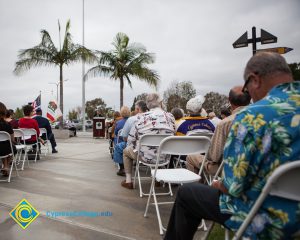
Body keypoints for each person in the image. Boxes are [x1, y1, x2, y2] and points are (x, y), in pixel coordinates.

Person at [164, 52, 300, 240]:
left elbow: (233, 185)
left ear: (255, 80)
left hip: (267, 217)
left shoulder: (253, 117)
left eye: (247, 87)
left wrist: (218, 183)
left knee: (187, 194)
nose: (249, 96)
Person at [186, 86, 251, 175]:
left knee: (191, 157)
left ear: (229, 100)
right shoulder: (263, 119)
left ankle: (198, 188)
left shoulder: (225, 123)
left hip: (229, 169)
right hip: (256, 167)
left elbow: (213, 157)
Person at [121, 93, 175, 189]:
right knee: (159, 148)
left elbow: (130, 140)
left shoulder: (140, 117)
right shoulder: (170, 117)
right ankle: (157, 179)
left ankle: (128, 181)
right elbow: (173, 134)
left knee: (126, 151)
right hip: (165, 157)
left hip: (144, 157)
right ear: (161, 103)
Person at [113, 100, 148, 176]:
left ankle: (123, 170)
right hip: (153, 150)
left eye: (135, 109)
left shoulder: (131, 119)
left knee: (120, 147)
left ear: (138, 109)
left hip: (137, 149)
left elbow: (125, 138)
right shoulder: (152, 119)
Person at [0, 102, 16, 177]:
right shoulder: (7, 125)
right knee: (12, 147)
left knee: (4, 147)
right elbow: (12, 139)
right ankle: (6, 166)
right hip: (5, 149)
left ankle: (5, 166)